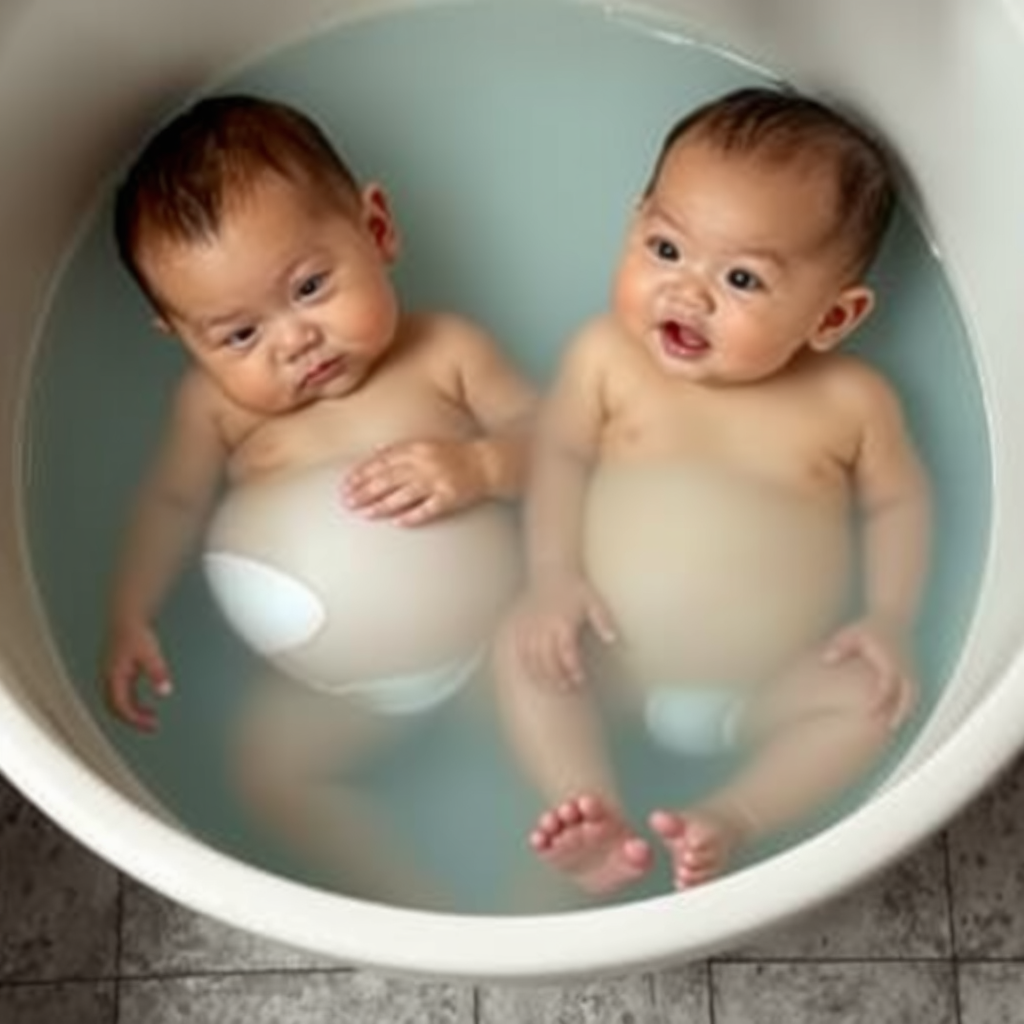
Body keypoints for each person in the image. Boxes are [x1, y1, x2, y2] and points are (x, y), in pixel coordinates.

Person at [495, 86, 931, 896]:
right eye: (665, 250)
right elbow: (556, 458)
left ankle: (734, 815)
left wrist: (889, 618)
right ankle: (588, 809)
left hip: (766, 688)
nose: (688, 293)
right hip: (611, 661)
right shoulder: (605, 358)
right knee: (522, 644)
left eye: (742, 278)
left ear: (833, 317)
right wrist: (554, 577)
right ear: (635, 219)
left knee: (869, 700)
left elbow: (898, 505)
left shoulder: (851, 403)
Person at [100, 94, 536, 904]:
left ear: (377, 230)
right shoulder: (215, 409)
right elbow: (169, 503)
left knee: (556, 720)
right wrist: (131, 610)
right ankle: (409, 899)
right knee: (268, 775)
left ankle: (549, 876)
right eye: (238, 336)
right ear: (182, 339)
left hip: (493, 647)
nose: (293, 340)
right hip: (344, 693)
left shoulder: (446, 352)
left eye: (308, 286)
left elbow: (555, 446)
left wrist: (480, 466)